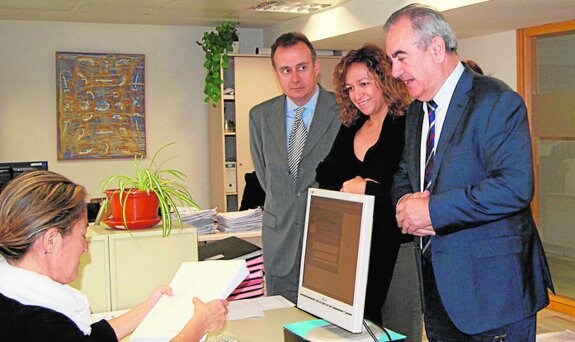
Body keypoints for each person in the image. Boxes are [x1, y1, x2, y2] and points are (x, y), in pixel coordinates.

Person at [384, 3, 554, 341]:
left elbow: (514, 187)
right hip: (438, 292)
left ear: (435, 49)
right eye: (391, 60)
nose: (394, 71)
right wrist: (405, 203)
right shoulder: (418, 112)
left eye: (400, 57)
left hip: (494, 296)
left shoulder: (496, 100)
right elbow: (404, 172)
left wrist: (432, 211)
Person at [0, 170, 228, 341]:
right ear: (51, 241)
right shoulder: (37, 324)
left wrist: (149, 307)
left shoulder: (12, 294)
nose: (85, 248)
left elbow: (90, 339)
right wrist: (202, 323)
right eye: (82, 236)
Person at [315, 44, 421, 340]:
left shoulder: (408, 123)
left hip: (397, 248)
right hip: (356, 247)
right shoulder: (352, 125)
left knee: (399, 332)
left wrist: (368, 188)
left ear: (385, 79)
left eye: (364, 84)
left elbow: (414, 189)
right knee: (362, 332)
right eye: (350, 88)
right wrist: (355, 186)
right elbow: (324, 175)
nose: (357, 94)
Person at [249, 32, 340, 304]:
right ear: (276, 73)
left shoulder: (343, 111)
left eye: (302, 67)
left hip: (329, 244)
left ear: (316, 67)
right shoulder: (260, 116)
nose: (295, 78)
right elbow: (266, 177)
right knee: (282, 327)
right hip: (280, 244)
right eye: (286, 70)